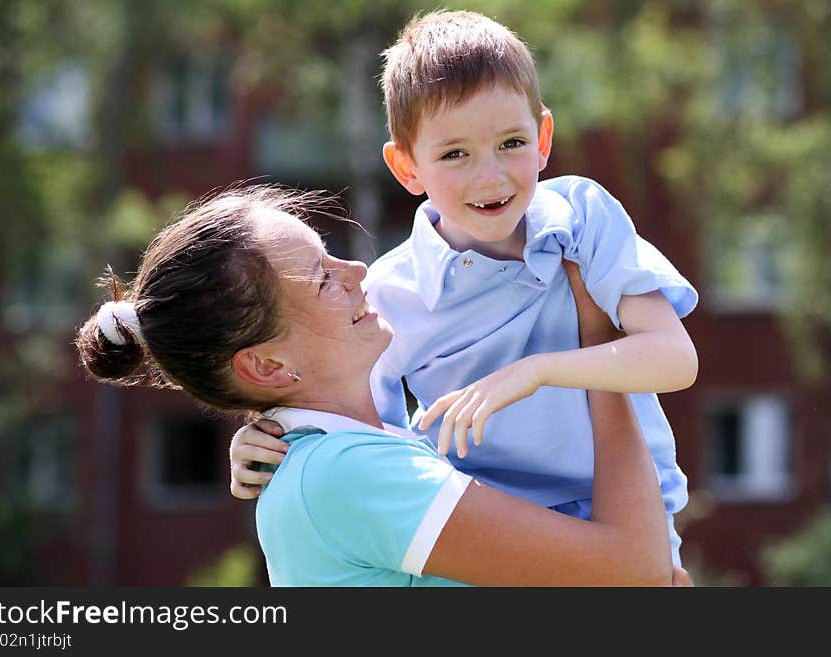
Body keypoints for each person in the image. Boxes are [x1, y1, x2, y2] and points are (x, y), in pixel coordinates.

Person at [229, 10, 698, 572]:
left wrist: (538, 370)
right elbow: (362, 437)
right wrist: (265, 443)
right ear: (407, 167)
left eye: (511, 142)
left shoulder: (583, 217)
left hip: (637, 523)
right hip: (504, 549)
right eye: (455, 154)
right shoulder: (388, 296)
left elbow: (675, 360)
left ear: (544, 138)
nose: (490, 177)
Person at [76, 185, 673, 586]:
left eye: (331, 255)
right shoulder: (349, 474)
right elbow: (635, 569)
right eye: (321, 279)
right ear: (265, 368)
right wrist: (595, 345)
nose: (359, 271)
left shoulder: (354, 459)